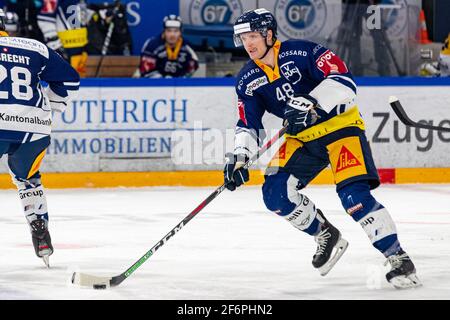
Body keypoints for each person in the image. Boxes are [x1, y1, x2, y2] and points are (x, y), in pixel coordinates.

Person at [223, 8, 421, 289]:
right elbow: (247, 123)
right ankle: (326, 234)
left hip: (341, 129)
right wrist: (240, 157)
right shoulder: (247, 80)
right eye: (243, 39)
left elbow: (345, 81)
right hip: (302, 139)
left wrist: (311, 101)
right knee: (275, 193)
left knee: (354, 196)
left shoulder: (303, 52)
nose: (249, 44)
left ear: (269, 34)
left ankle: (398, 258)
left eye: (253, 36)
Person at [0, 8, 80, 266]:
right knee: (27, 179)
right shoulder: (33, 47)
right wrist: (51, 112)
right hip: (34, 131)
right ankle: (38, 225)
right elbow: (69, 80)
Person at [37, 0, 89, 77]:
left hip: (81, 48)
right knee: (66, 80)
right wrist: (56, 47)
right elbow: (45, 21)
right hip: (64, 49)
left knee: (79, 80)